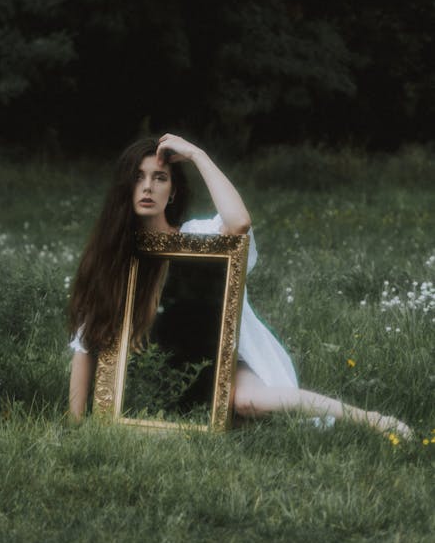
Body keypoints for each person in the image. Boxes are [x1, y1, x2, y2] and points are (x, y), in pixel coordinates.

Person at [69, 134, 412, 438]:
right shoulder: (113, 257)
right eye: (138, 178)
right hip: (161, 371)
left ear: (172, 191)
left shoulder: (199, 238)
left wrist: (197, 154)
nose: (147, 187)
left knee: (248, 403)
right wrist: (75, 423)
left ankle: (370, 419)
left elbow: (238, 222)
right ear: (124, 188)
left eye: (159, 178)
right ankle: (234, 425)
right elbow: (86, 343)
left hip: (224, 358)